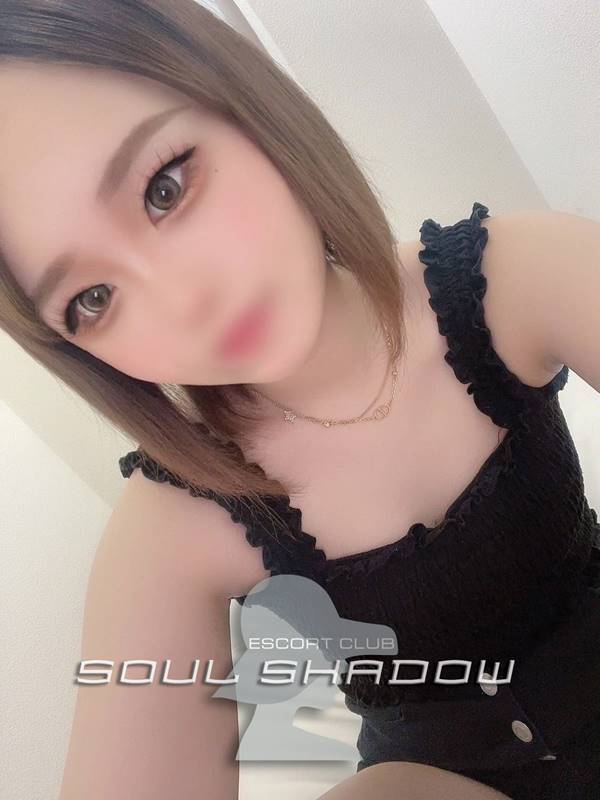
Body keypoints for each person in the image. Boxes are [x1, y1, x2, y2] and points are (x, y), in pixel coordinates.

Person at [1, 2, 599, 799]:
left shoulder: (504, 281)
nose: (186, 301)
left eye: (164, 188)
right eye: (93, 299)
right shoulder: (179, 522)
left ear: (240, 99)